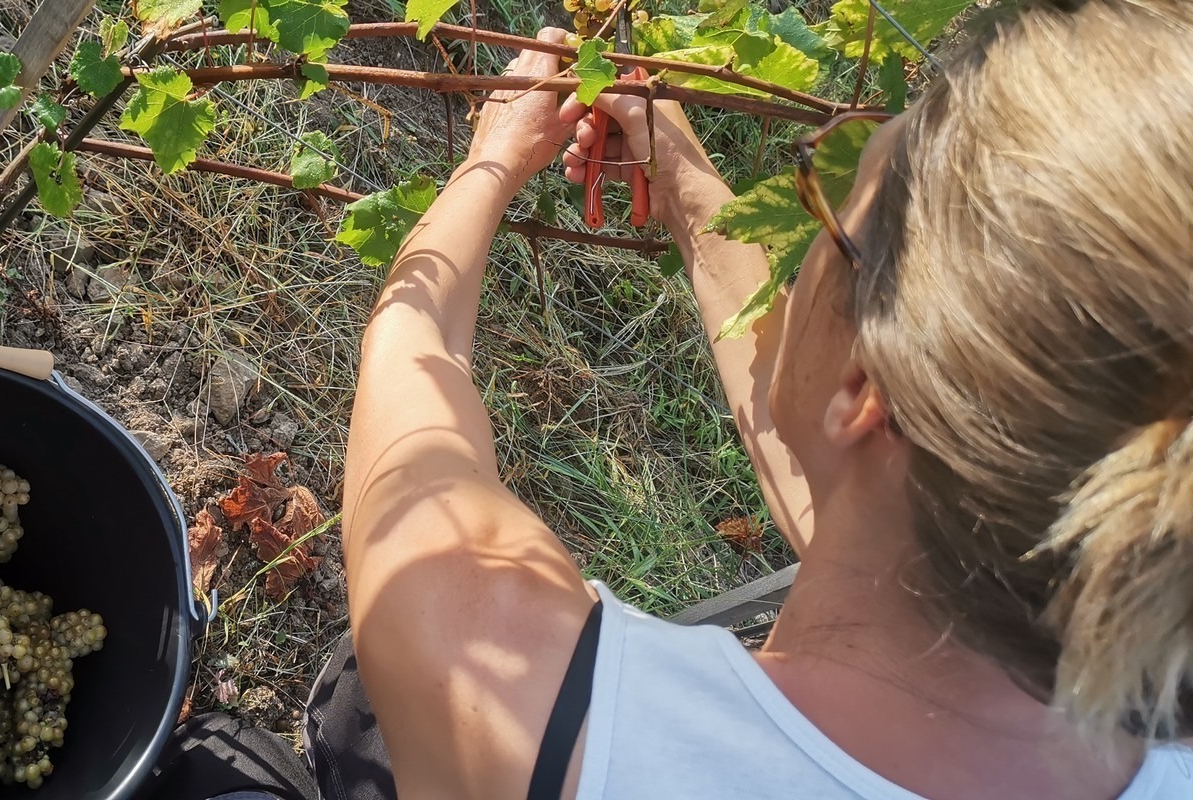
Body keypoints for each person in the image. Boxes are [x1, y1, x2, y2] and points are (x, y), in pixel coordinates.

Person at [143, 1, 1193, 797]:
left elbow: (408, 391)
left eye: (829, 209)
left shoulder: (534, 704)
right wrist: (687, 185)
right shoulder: (1135, 664)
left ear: (870, 391)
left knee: (217, 760)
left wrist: (488, 164)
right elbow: (854, 483)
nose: (796, 249)